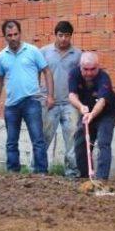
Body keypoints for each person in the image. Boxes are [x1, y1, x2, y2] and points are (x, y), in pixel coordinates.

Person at [0, 20, 54, 174]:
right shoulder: (1, 56)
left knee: (38, 139)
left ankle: (41, 171)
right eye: (9, 35)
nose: (13, 38)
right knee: (11, 141)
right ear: (4, 37)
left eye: (15, 34)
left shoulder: (32, 51)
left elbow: (47, 71)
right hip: (11, 105)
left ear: (20, 34)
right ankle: (13, 172)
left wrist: (50, 95)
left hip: (31, 101)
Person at [69, 52, 115, 180]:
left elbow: (102, 101)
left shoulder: (104, 78)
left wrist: (92, 114)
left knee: (103, 142)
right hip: (87, 110)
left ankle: (102, 179)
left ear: (98, 67)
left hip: (107, 112)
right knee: (80, 142)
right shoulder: (74, 74)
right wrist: (81, 107)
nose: (89, 73)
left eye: (93, 69)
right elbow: (72, 95)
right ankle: (85, 177)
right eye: (86, 69)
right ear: (80, 67)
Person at [40, 21, 81, 177]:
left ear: (71, 36)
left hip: (70, 103)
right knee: (43, 137)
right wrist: (40, 94)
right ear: (55, 35)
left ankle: (72, 172)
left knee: (72, 139)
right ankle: (38, 170)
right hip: (49, 102)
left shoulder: (77, 54)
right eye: (61, 35)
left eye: (67, 36)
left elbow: (81, 78)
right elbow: (35, 72)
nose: (64, 39)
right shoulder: (44, 52)